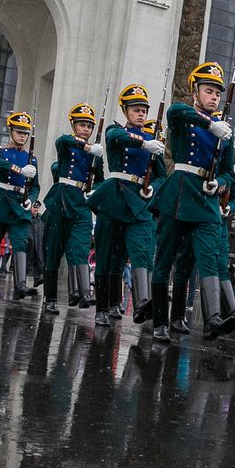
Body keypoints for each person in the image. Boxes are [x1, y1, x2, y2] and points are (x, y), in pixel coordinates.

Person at [149, 62, 235, 343]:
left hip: (206, 199)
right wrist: (211, 124)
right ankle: (161, 322)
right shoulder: (185, 117)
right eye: (208, 91)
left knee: (206, 258)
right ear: (195, 93)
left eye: (217, 93)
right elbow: (175, 111)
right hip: (178, 193)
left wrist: (221, 183)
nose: (214, 97)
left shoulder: (224, 132)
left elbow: (226, 171)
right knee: (164, 260)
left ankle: (210, 318)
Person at [86, 84, 166, 327]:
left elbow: (162, 175)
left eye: (143, 110)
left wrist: (154, 189)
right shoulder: (116, 131)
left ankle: (142, 302)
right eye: (135, 110)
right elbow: (114, 138)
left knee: (141, 250)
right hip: (115, 196)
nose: (140, 114)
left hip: (139, 201)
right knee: (109, 256)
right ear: (125, 111)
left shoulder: (155, 142)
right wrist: (143, 143)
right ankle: (104, 306)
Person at [40, 102, 105, 315]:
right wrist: (86, 146)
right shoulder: (68, 145)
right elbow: (62, 140)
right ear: (74, 125)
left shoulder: (95, 155)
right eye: (82, 125)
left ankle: (83, 292)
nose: (86, 129)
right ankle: (49, 299)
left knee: (80, 248)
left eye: (89, 126)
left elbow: (99, 181)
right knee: (53, 252)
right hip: (60, 202)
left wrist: (94, 191)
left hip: (81, 205)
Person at [0, 110, 40, 302]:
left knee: (21, 243)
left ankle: (20, 285)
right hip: (0, 200)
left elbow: (35, 186)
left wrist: (31, 198)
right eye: (19, 131)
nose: (22, 135)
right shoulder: (0, 151)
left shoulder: (32, 159)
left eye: (25, 132)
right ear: (11, 131)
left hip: (20, 204)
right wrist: (19, 170)